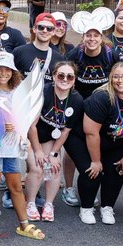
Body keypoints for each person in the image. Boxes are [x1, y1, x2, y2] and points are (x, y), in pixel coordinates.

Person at [0, 51, 42, 246]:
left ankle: (24, 224)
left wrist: (20, 127)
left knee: (15, 187)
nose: (3, 73)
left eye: (7, 70)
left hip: (12, 149)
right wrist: (1, 126)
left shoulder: (18, 94)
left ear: (13, 72)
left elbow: (26, 120)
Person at [80, 62, 123, 225]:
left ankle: (107, 207)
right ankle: (87, 207)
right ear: (111, 78)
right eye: (116, 76)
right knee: (93, 171)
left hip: (119, 141)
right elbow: (91, 132)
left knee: (118, 169)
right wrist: (96, 161)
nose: (120, 80)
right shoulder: (101, 97)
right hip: (94, 139)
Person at [24, 60, 86, 223]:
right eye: (61, 75)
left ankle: (49, 204)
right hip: (29, 135)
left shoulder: (77, 100)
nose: (65, 79)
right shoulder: (43, 92)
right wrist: (37, 150)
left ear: (74, 79)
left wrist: (53, 153)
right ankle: (29, 203)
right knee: (37, 168)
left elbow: (65, 131)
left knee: (54, 166)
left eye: (70, 76)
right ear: (53, 76)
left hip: (51, 138)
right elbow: (32, 125)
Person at [14, 12, 64, 82]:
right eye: (41, 27)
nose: (45, 31)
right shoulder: (19, 52)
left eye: (49, 28)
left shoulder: (59, 58)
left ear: (53, 32)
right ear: (34, 29)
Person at [71, 26, 115, 98]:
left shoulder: (110, 55)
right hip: (81, 98)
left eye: (96, 36)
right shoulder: (75, 54)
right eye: (88, 35)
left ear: (101, 39)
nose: (92, 39)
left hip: (105, 98)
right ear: (83, 38)